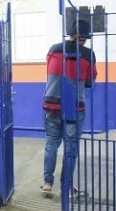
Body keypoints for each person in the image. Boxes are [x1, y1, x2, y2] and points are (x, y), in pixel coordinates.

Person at [40, 20, 97, 197]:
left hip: (51, 104)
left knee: (51, 143)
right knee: (71, 147)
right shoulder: (88, 54)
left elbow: (50, 72)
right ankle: (67, 187)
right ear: (86, 38)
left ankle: (47, 183)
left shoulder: (53, 49)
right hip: (74, 108)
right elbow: (90, 81)